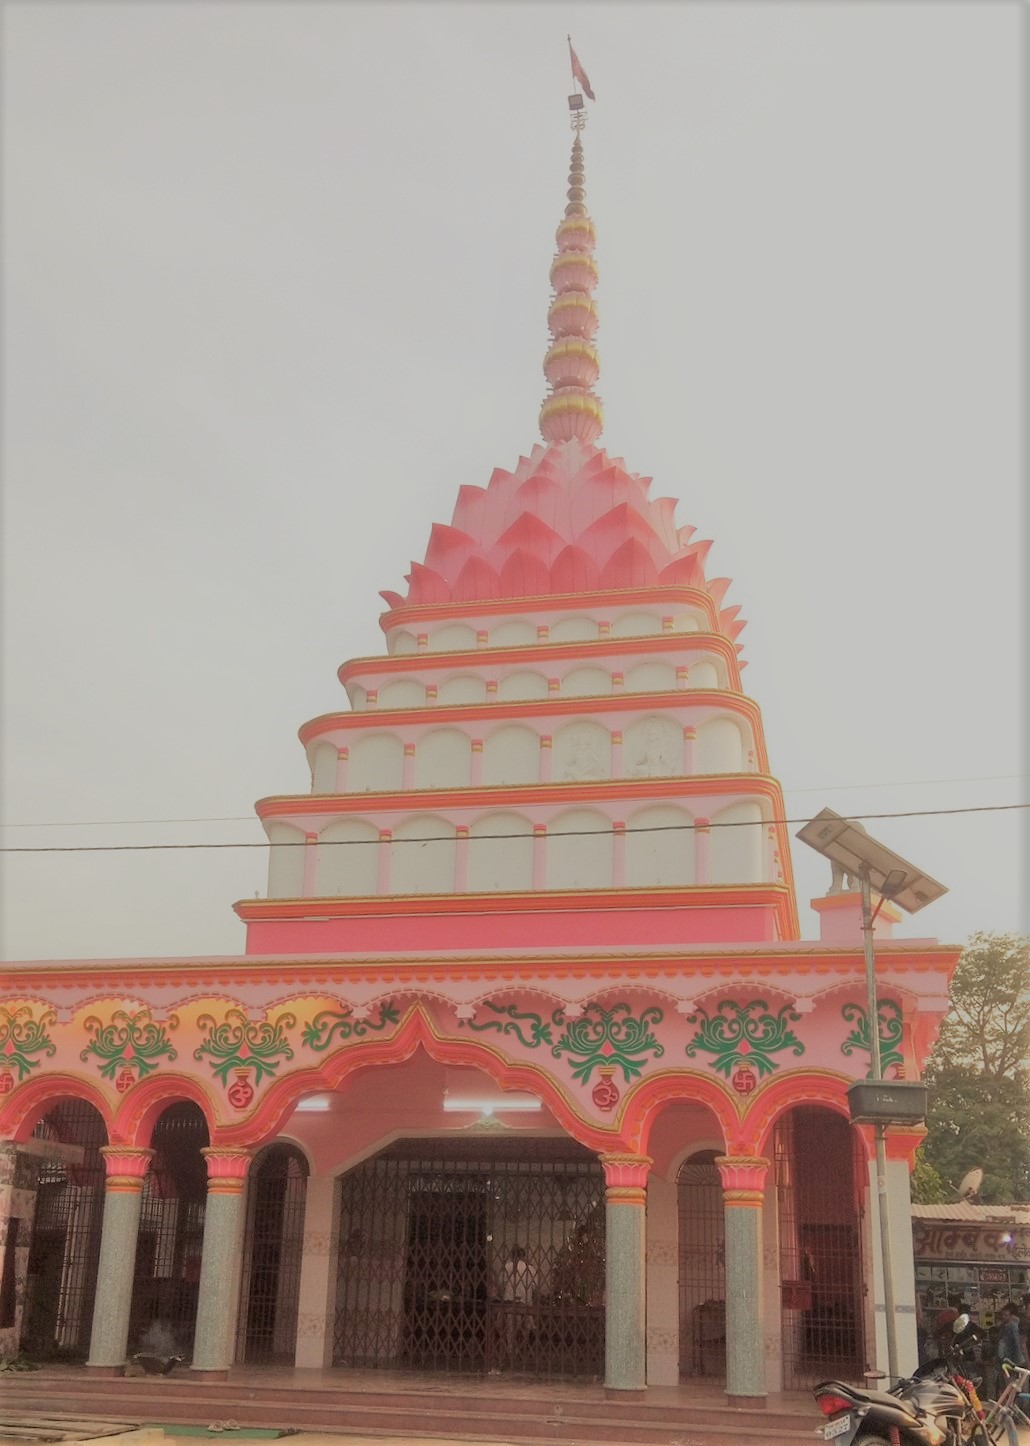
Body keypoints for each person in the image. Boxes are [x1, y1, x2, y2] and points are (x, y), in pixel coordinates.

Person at [996, 1302, 1029, 1370]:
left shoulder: (1013, 1326)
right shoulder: (1006, 1326)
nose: (1003, 1317)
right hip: (1012, 1359)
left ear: (1011, 1315)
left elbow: (1018, 1344)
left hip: (1013, 1360)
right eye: (1002, 1315)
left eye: (1005, 1315)